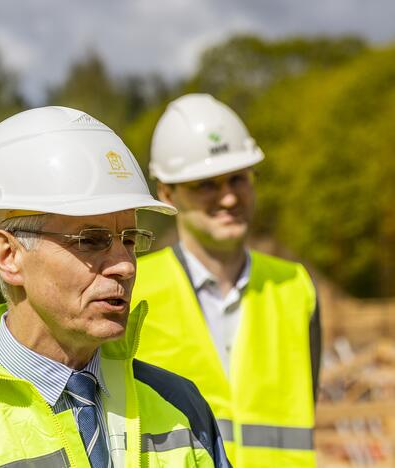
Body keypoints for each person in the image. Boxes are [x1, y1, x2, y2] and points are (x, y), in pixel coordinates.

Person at [0, 106, 231, 467]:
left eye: (129, 239)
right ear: (8, 255)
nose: (125, 266)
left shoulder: (179, 404)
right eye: (91, 240)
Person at [132, 94, 321, 467]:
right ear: (166, 193)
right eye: (206, 185)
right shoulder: (134, 289)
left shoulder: (295, 288)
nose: (230, 197)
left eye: (239, 179)